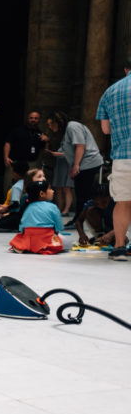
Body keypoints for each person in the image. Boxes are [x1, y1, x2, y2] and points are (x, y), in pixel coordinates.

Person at [97, 56, 131, 261]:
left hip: (123, 156)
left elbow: (105, 129)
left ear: (126, 70)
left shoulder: (110, 92)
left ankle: (119, 248)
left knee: (123, 202)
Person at [46, 111, 104, 227]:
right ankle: (79, 220)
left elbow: (80, 145)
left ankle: (82, 220)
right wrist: (73, 165)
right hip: (83, 163)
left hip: (88, 162)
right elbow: (70, 150)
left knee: (83, 193)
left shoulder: (73, 126)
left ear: (57, 122)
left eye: (50, 124)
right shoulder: (68, 130)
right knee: (80, 192)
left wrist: (76, 165)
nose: (49, 127)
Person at [8, 180, 71, 254]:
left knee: (20, 238)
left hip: (30, 239)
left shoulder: (28, 207)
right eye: (50, 189)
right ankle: (44, 246)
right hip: (46, 237)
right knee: (68, 243)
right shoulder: (53, 207)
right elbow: (59, 227)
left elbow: (22, 226)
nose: (53, 191)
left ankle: (28, 246)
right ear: (42, 194)